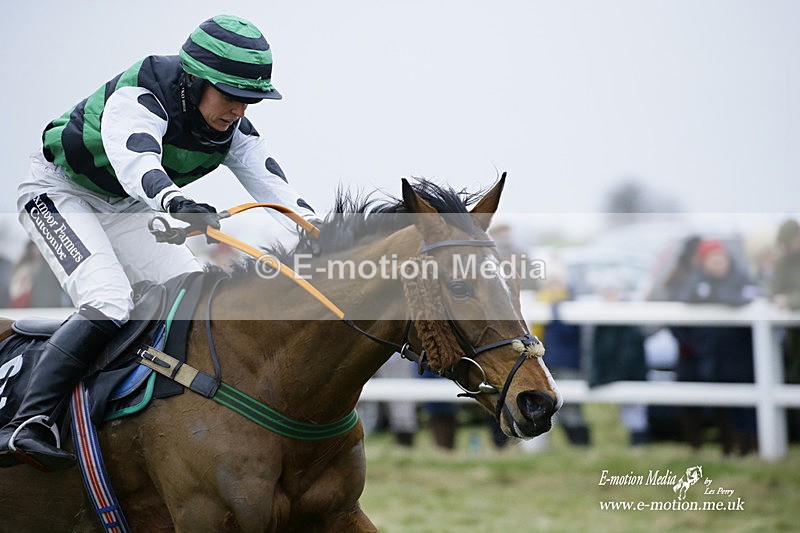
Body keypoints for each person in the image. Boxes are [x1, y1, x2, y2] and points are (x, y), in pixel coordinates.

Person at [0, 15, 319, 471]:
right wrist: (175, 201)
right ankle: (27, 422)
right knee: (108, 299)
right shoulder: (140, 96)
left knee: (192, 296)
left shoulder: (236, 132)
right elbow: (138, 164)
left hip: (126, 208)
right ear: (195, 81)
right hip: (59, 194)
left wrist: (321, 233)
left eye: (249, 101)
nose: (239, 111)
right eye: (230, 96)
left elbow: (279, 192)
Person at [671, 239, 760, 455]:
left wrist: (714, 293)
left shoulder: (739, 277)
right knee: (721, 403)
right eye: (713, 259)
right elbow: (685, 300)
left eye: (721, 258)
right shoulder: (696, 280)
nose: (718, 263)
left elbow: (745, 298)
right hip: (712, 353)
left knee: (745, 401)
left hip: (739, 352)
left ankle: (750, 444)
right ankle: (729, 445)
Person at [770, 218, 800, 442]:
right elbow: (774, 291)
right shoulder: (781, 263)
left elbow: (785, 297)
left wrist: (791, 300)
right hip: (793, 333)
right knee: (793, 377)